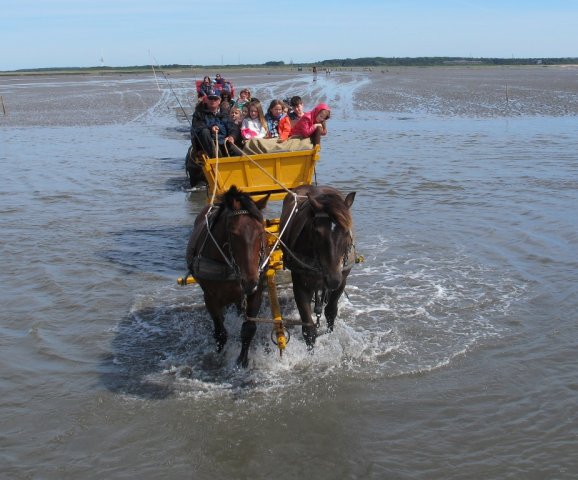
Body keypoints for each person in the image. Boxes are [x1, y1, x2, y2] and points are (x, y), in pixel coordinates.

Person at [191, 92, 239, 158]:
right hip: (208, 143)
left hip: (223, 142)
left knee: (238, 153)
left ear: (219, 101)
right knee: (204, 131)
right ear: (207, 100)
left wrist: (232, 136)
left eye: (215, 99)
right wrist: (211, 128)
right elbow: (197, 127)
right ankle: (212, 155)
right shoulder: (199, 113)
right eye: (210, 98)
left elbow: (232, 127)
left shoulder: (224, 113)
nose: (213, 101)